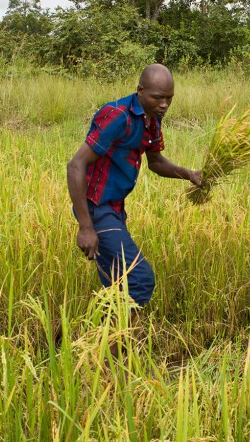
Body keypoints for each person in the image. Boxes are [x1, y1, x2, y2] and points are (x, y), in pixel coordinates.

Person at [66, 64, 202, 307]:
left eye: (169, 98)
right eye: (158, 97)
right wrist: (85, 227)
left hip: (115, 209)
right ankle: (114, 344)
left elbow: (156, 162)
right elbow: (76, 165)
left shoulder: (152, 120)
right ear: (140, 90)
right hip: (97, 209)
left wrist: (189, 174)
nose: (164, 104)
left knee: (118, 288)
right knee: (138, 280)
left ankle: (107, 342)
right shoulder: (118, 116)